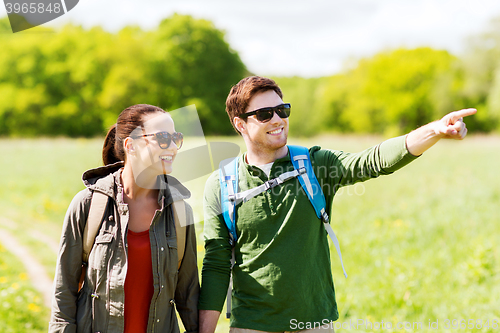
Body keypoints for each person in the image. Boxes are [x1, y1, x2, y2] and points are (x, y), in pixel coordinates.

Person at [198, 76, 476, 333]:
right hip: (251, 324)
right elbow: (216, 264)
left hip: (313, 320)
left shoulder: (315, 164)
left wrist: (434, 130)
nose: (278, 119)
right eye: (264, 114)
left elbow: (372, 161)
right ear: (240, 124)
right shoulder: (222, 184)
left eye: (282, 110)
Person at [49, 104, 199, 333]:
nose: (172, 147)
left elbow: (188, 297)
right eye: (161, 137)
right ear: (131, 145)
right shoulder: (88, 205)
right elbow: (64, 291)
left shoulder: (180, 212)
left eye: (175, 138)